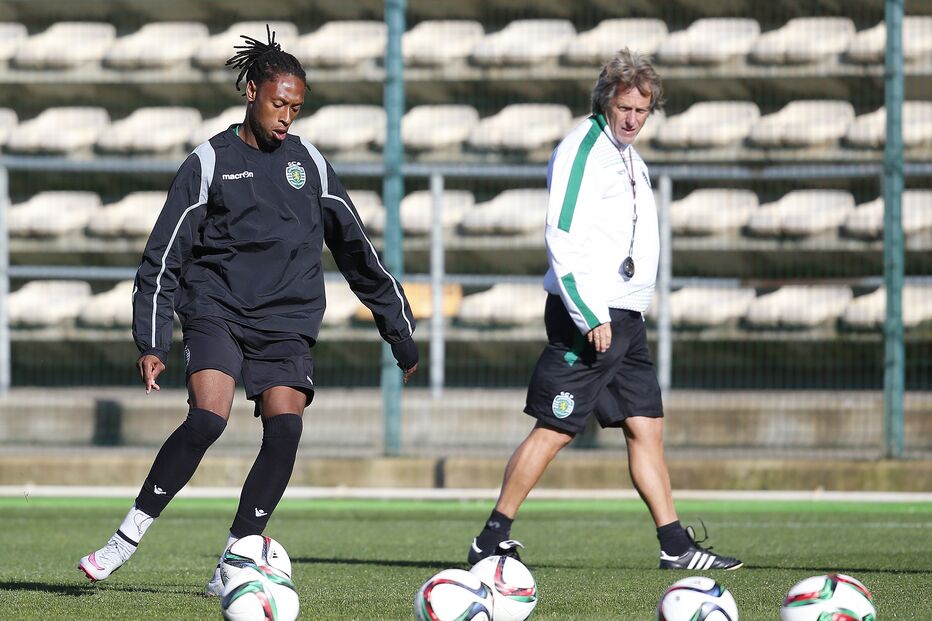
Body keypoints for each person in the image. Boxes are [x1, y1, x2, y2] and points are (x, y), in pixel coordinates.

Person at [78, 26, 419, 594]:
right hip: (217, 310)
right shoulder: (209, 162)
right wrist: (153, 339)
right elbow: (163, 255)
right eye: (279, 102)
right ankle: (125, 539)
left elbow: (357, 250)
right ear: (252, 93)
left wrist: (398, 329)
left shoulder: (309, 163)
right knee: (209, 418)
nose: (288, 116)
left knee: (285, 429)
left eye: (297, 107)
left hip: (287, 320)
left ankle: (234, 559)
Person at [466, 48, 741, 571]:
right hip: (591, 318)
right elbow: (561, 237)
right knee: (554, 427)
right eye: (625, 108)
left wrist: (622, 313)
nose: (634, 119)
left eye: (642, 109)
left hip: (626, 319)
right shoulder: (582, 150)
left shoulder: (629, 156)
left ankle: (675, 546)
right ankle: (490, 537)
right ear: (605, 102)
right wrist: (589, 314)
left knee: (646, 428)